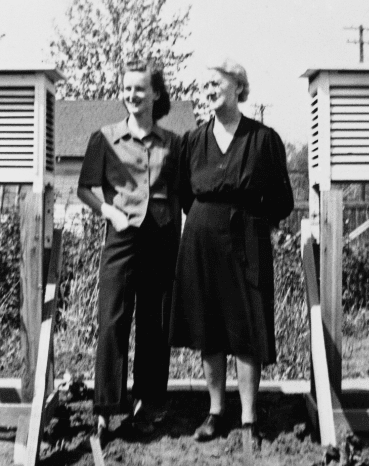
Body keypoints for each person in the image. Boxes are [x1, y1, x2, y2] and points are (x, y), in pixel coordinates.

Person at [169, 57, 294, 447]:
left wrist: (256, 224)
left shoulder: (264, 139)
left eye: (216, 83)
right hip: (202, 242)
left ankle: (249, 418)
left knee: (247, 328)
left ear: (238, 87)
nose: (209, 90)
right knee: (209, 328)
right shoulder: (192, 141)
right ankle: (215, 412)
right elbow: (184, 194)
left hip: (247, 241)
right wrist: (209, 219)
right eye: (205, 85)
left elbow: (282, 199)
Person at [77, 59, 180, 444]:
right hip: (120, 237)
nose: (132, 95)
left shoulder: (173, 142)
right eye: (127, 89)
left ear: (155, 93)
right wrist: (109, 212)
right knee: (112, 321)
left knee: (154, 325)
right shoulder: (104, 138)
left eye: (139, 88)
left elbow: (181, 194)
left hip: (161, 239)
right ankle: (106, 408)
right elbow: (85, 188)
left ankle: (146, 405)